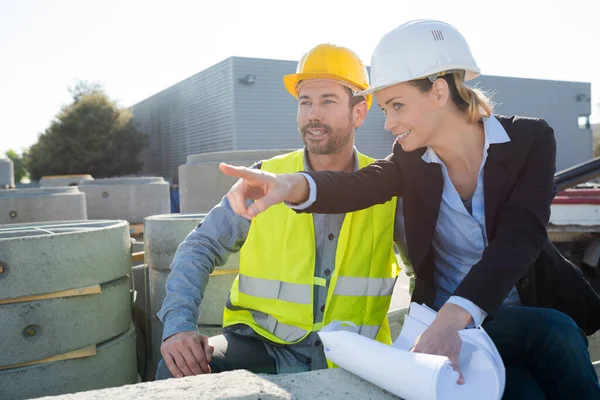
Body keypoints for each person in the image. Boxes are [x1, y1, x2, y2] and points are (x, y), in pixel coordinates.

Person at [220, 20, 600, 399]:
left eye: (397, 105)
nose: (388, 124)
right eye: (385, 108)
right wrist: (290, 184)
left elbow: (522, 235)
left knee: (552, 337)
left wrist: (454, 317)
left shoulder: (530, 140)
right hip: (446, 329)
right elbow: (359, 185)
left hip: (502, 316)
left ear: (437, 91)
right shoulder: (411, 157)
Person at [155, 43, 405, 380]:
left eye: (328, 101)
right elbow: (199, 247)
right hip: (264, 345)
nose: (313, 114)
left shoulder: (387, 187)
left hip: (355, 355)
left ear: (359, 112)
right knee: (178, 370)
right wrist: (179, 327)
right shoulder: (265, 177)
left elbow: (427, 273)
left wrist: (416, 344)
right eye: (305, 102)